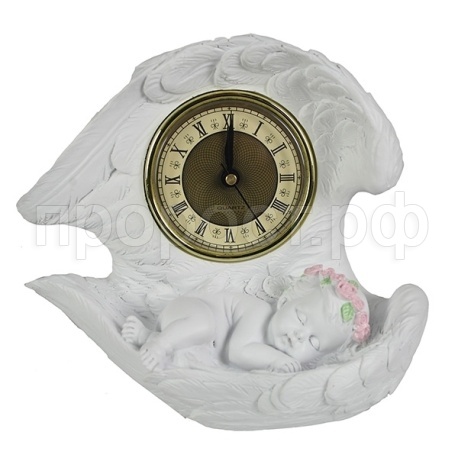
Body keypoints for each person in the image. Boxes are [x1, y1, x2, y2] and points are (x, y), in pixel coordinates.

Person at [122, 265, 370, 373]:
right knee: (204, 325)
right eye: (301, 318)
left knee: (193, 357)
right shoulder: (259, 311)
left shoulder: (270, 344)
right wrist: (277, 360)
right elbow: (238, 352)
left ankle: (147, 335)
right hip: (188, 312)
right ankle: (160, 344)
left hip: (200, 341)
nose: (299, 335)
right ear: (284, 301)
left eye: (314, 343)